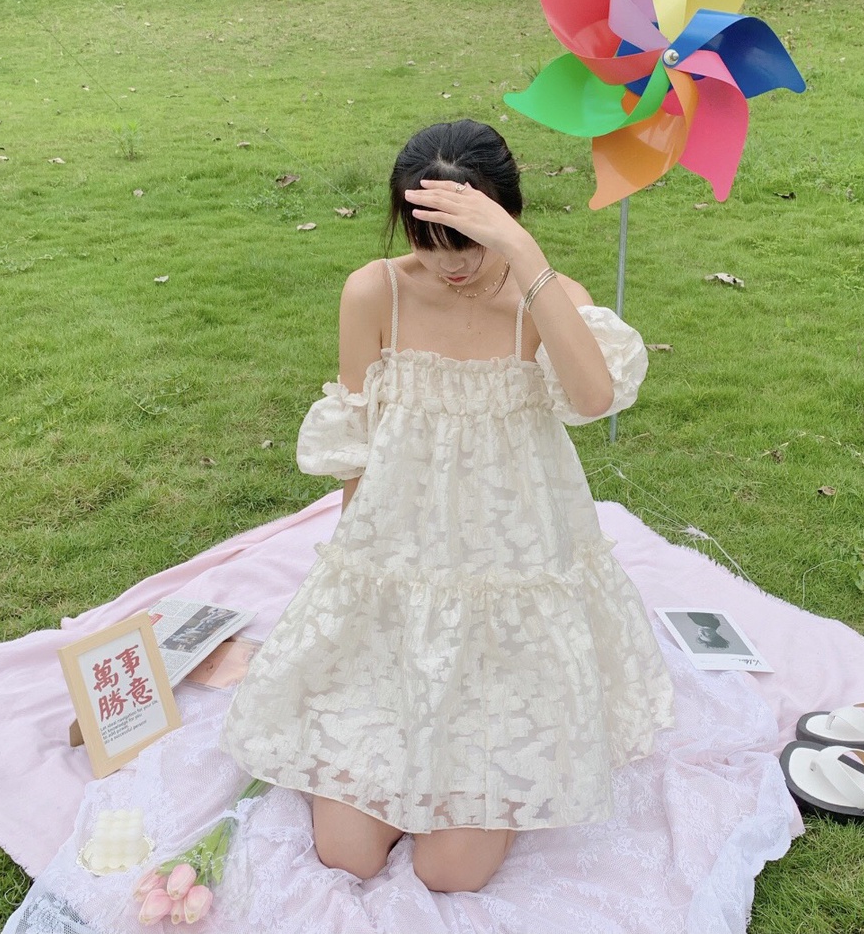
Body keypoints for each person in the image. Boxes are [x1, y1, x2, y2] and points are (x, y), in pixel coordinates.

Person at [220, 119, 674, 893]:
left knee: (449, 873)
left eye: (468, 241)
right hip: (403, 563)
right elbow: (357, 440)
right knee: (348, 854)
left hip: (509, 580)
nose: (451, 263)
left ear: (508, 216)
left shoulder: (546, 298)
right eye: (428, 241)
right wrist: (352, 589)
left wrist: (524, 256)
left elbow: (594, 398)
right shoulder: (376, 292)